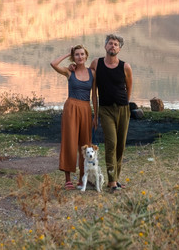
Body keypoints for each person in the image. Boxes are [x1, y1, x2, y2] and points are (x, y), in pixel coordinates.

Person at [50, 44, 96, 190]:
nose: (80, 57)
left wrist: (96, 115)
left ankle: (84, 177)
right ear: (73, 57)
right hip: (71, 107)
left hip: (86, 108)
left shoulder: (92, 73)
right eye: (76, 54)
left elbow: (94, 95)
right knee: (70, 142)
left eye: (82, 54)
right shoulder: (69, 72)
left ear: (86, 56)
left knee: (85, 143)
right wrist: (67, 53)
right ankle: (68, 179)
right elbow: (53, 64)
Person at [90, 33, 133, 191]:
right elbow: (93, 91)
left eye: (116, 44)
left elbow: (129, 87)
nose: (112, 46)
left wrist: (125, 105)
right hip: (105, 109)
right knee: (111, 144)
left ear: (119, 49)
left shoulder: (125, 67)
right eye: (110, 43)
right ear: (105, 46)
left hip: (122, 109)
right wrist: (95, 114)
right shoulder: (96, 64)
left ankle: (116, 178)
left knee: (120, 146)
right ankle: (111, 181)